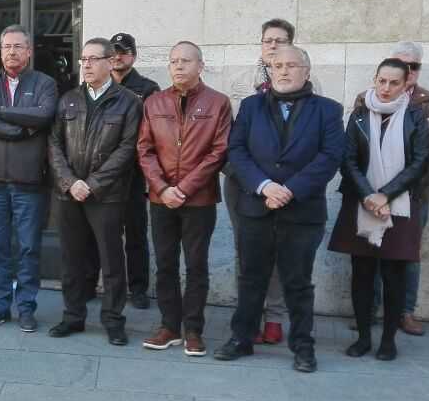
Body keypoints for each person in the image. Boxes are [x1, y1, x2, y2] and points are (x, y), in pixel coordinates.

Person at [214, 46, 344, 372]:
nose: (283, 71)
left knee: (298, 282)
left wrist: (289, 190)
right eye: (277, 66)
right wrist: (264, 186)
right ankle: (241, 338)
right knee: (250, 277)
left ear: (307, 71)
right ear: (269, 72)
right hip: (255, 206)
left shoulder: (328, 110)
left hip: (302, 212)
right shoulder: (251, 106)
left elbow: (329, 157)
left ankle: (302, 347)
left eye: (291, 65)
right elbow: (237, 150)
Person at [326, 58, 429, 362]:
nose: (386, 88)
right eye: (381, 81)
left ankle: (388, 340)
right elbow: (347, 160)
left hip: (399, 204)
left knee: (394, 273)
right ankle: (362, 337)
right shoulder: (359, 113)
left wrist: (386, 194)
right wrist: (369, 195)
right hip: (361, 201)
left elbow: (419, 162)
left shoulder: (415, 115)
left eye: (393, 82)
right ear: (375, 79)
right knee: (361, 272)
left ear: (406, 83)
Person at [137, 41, 231, 356]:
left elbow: (219, 151)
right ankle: (169, 326)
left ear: (200, 66)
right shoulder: (154, 102)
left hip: (199, 200)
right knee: (164, 263)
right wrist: (163, 188)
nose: (179, 66)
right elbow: (144, 149)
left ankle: (193, 329)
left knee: (196, 265)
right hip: (160, 198)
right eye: (174, 61)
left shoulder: (218, 103)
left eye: (186, 61)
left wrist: (185, 188)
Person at [47, 38, 143, 344]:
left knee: (112, 261)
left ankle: (113, 320)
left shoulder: (129, 101)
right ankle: (73, 316)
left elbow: (128, 149)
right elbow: (54, 144)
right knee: (72, 259)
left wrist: (93, 184)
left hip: (107, 196)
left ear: (109, 61)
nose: (86, 65)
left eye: (92, 59)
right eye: (83, 60)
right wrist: (70, 182)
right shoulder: (68, 99)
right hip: (69, 193)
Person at [357, 42, 429, 337]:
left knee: (406, 255)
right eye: (398, 65)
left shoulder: (428, 99)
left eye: (413, 67)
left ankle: (404, 313)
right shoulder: (365, 99)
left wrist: (414, 127)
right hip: (368, 193)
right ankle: (368, 312)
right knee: (368, 252)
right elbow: (354, 146)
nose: (406, 72)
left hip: (413, 192)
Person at [0, 24, 58, 333]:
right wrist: (21, 127)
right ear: (0, 51)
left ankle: (26, 308)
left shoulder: (45, 83)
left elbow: (45, 115)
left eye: (18, 46)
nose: (12, 52)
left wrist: (2, 112)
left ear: (29, 51)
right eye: (6, 46)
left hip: (29, 183)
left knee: (28, 248)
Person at [224, 18, 297, 345]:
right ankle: (248, 315)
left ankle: (275, 317)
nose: (273, 45)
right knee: (247, 252)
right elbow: (229, 137)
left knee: (280, 251)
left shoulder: (307, 81)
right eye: (268, 40)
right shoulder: (241, 84)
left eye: (280, 40)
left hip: (284, 185)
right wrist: (250, 178)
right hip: (243, 181)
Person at [96, 32, 160, 309]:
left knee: (135, 233)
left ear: (133, 55)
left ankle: (138, 288)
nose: (118, 57)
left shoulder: (148, 87)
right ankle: (99, 284)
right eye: (113, 52)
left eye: (123, 52)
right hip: (101, 172)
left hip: (133, 172)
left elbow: (152, 130)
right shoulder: (97, 84)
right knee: (100, 234)